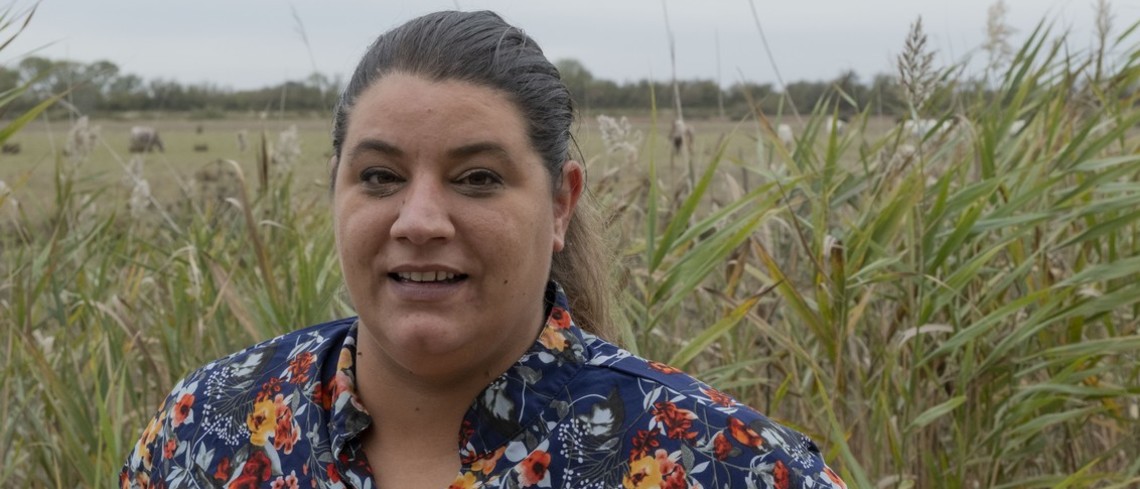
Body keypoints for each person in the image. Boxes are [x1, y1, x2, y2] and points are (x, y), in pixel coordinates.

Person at [120, 10, 847, 489]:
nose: (421, 218)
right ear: (335, 190)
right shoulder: (208, 429)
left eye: (477, 178)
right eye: (380, 176)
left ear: (560, 203)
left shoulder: (726, 463)